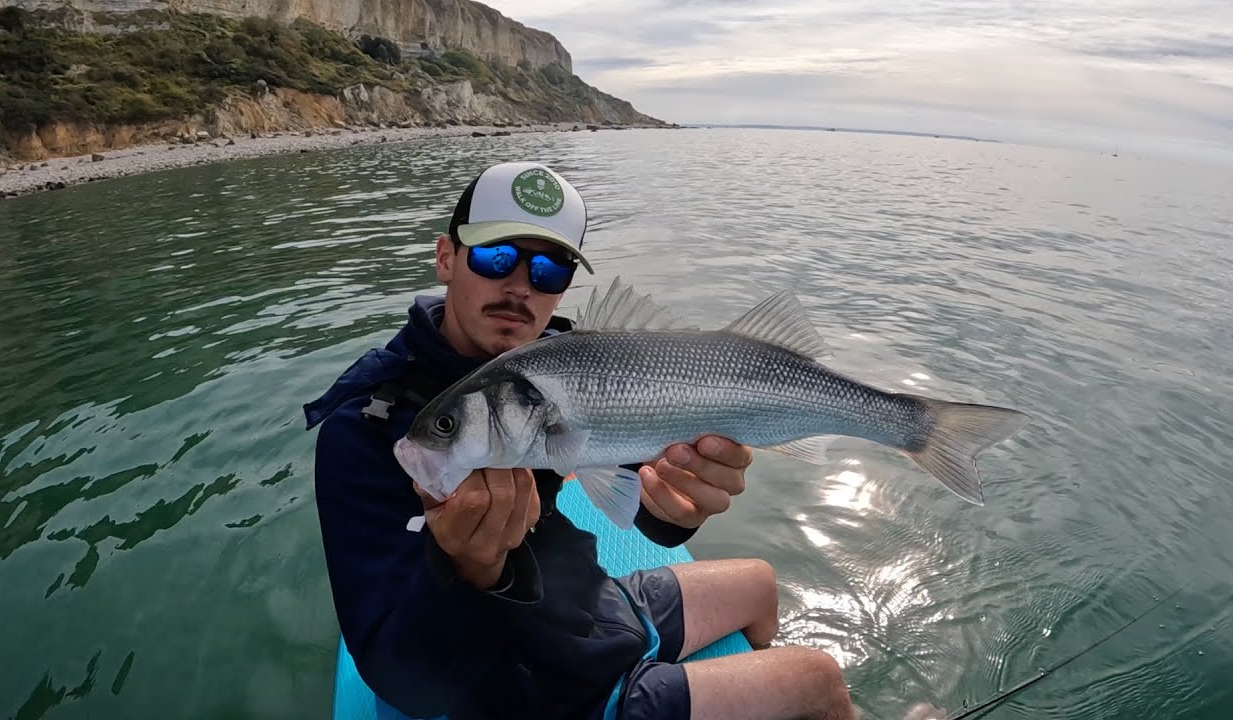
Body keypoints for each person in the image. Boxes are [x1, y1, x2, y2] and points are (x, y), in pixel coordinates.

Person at [304, 161, 860, 720]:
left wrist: (677, 505)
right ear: (446, 257)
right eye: (495, 256)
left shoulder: (560, 365)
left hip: (584, 609)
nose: (520, 286)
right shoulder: (364, 429)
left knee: (760, 585)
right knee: (818, 679)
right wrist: (468, 570)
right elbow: (399, 677)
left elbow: (640, 497)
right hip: (531, 686)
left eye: (550, 270)